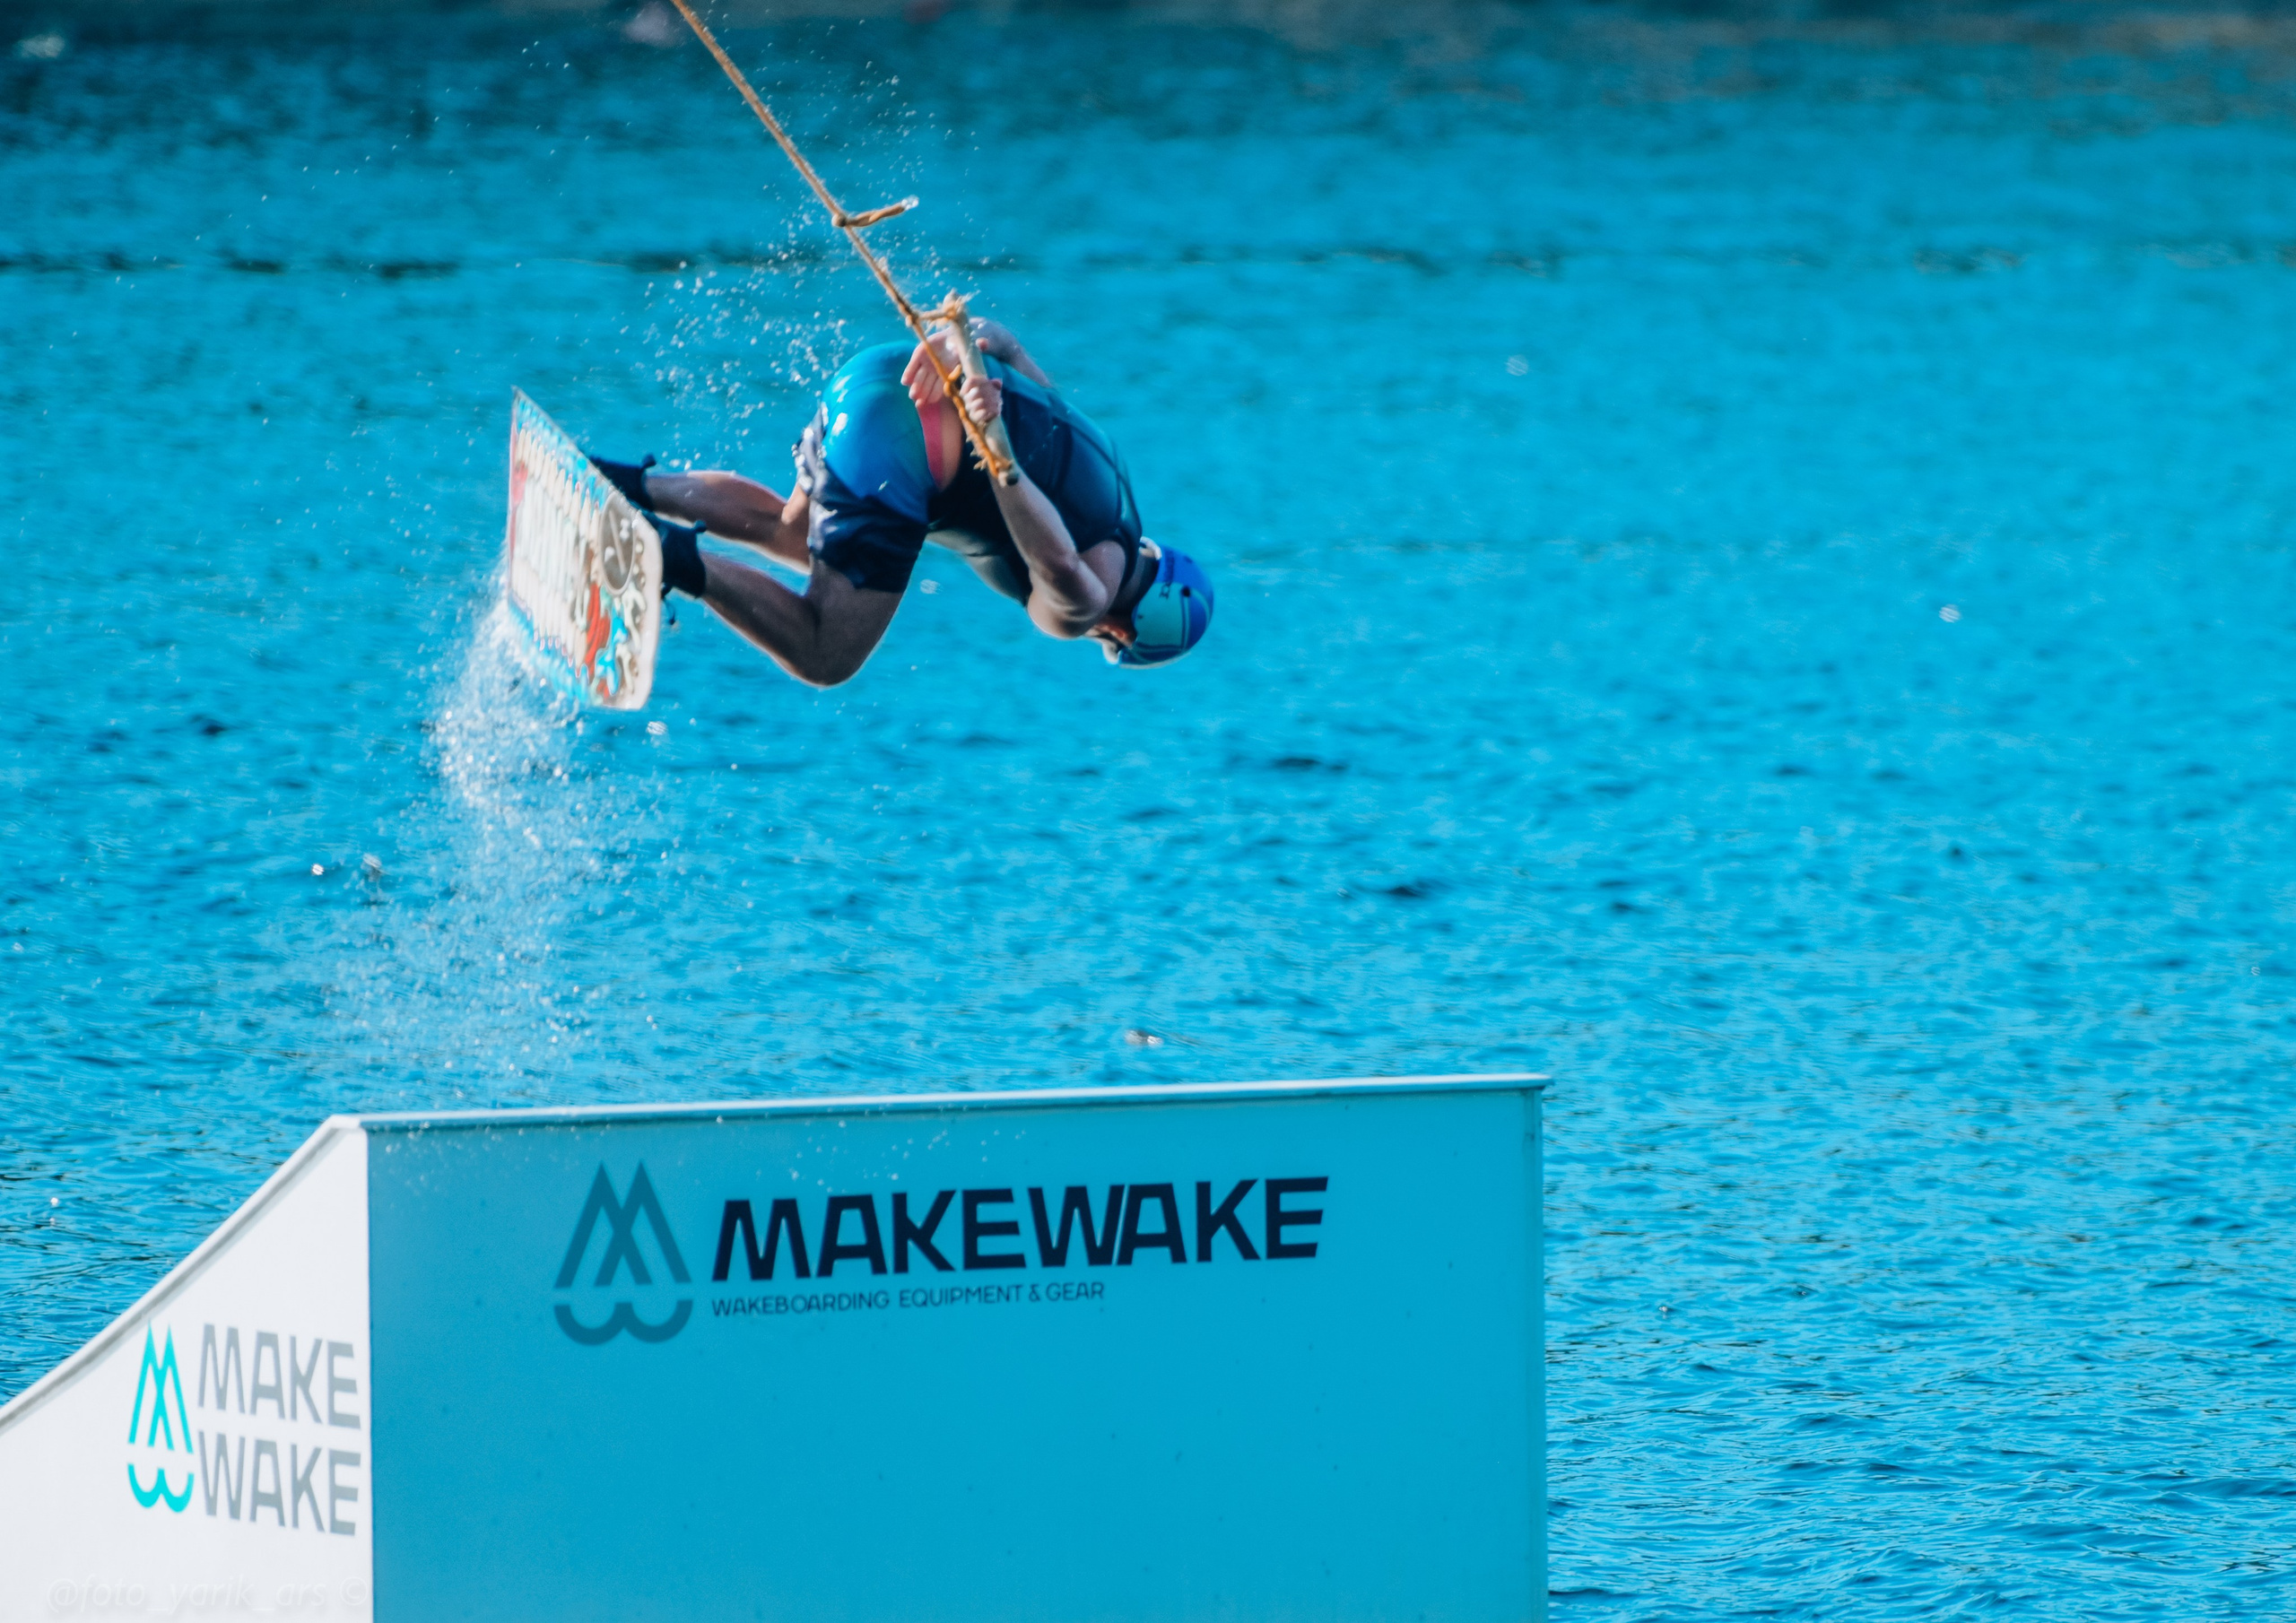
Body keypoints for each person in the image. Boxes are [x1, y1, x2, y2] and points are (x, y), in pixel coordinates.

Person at [587, 320, 1213, 687]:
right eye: (1112, 640)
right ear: (1126, 630)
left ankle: (626, 483)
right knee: (825, 652)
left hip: (880, 372)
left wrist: (962, 337)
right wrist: (998, 454)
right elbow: (1057, 568)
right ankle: (663, 554)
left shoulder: (1116, 478)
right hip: (898, 448)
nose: (1099, 636)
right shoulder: (1088, 604)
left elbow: (1009, 349)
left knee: (791, 538)